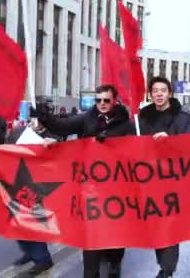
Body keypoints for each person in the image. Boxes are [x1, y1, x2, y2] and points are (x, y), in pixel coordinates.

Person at [35, 85, 135, 278]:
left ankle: (114, 260)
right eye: (98, 100)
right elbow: (62, 127)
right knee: (91, 235)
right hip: (90, 188)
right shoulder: (88, 118)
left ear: (114, 100)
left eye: (106, 100)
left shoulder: (127, 124)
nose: (102, 104)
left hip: (117, 189)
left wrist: (113, 145)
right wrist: (45, 116)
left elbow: (135, 153)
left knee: (114, 234)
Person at [137, 77, 190, 278]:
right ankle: (164, 265)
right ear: (150, 94)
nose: (159, 94)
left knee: (171, 227)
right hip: (150, 183)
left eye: (163, 90)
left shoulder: (183, 118)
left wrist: (169, 142)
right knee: (156, 228)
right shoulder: (142, 118)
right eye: (155, 90)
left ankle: (167, 270)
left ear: (170, 93)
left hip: (174, 183)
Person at [7, 114, 58, 275]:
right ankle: (29, 252)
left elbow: (59, 154)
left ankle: (43, 259)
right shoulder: (16, 133)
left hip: (36, 188)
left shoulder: (50, 136)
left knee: (33, 222)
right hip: (16, 184)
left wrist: (51, 142)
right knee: (18, 222)